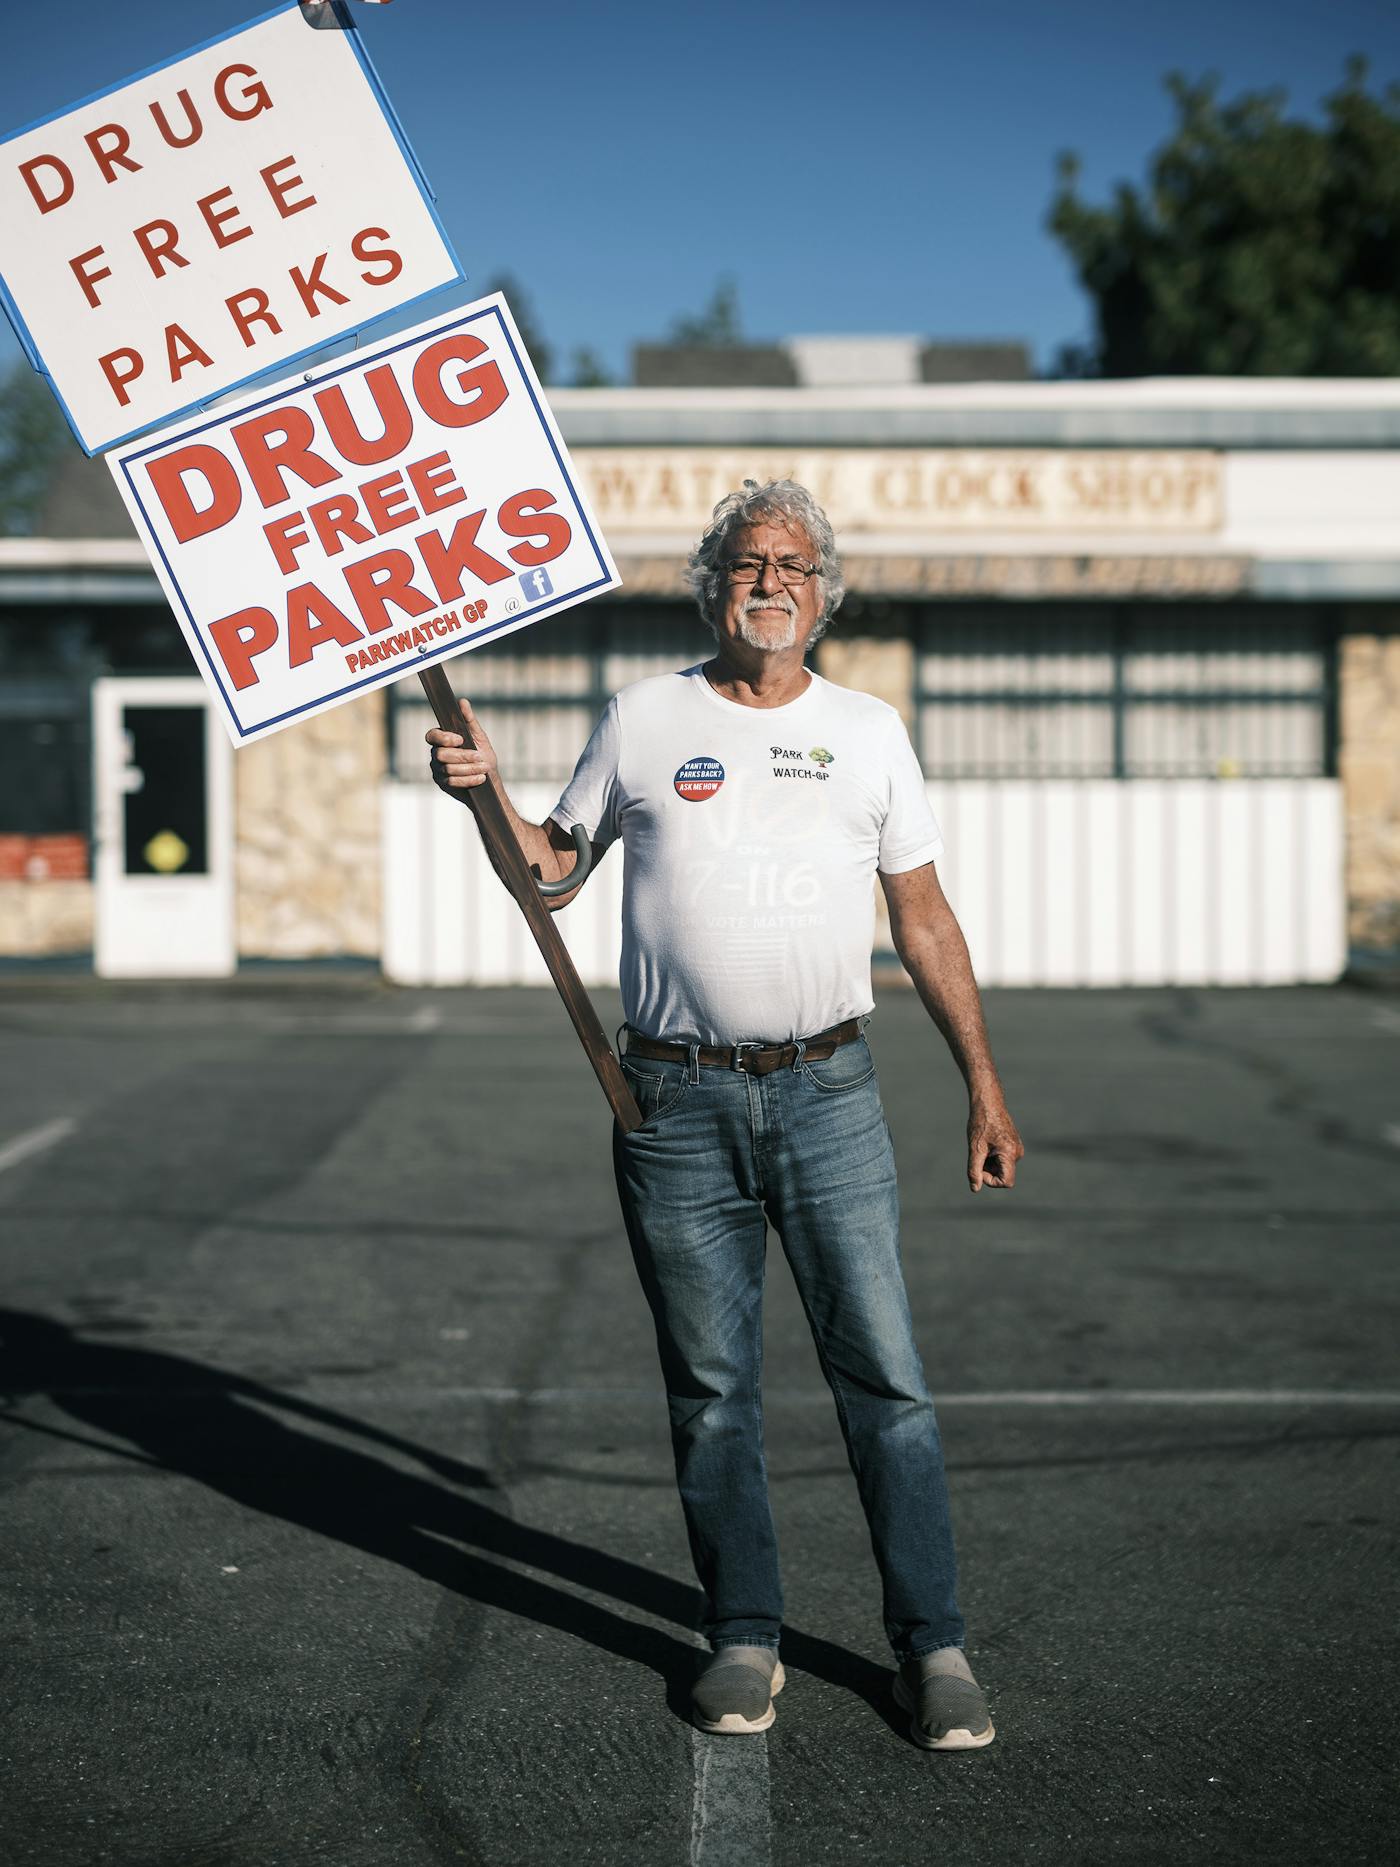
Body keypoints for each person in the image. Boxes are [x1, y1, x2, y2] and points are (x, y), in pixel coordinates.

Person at [427, 479, 1023, 1750]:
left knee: (888, 1381)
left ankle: (934, 1649)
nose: (769, 581)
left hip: (828, 1093)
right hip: (672, 1103)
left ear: (824, 592)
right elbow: (551, 872)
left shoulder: (868, 731)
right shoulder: (645, 717)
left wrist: (980, 1078)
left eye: (794, 565)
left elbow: (920, 915)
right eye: (747, 562)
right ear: (712, 584)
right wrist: (483, 793)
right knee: (710, 1389)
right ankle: (742, 1637)